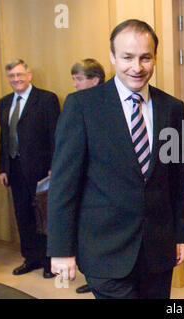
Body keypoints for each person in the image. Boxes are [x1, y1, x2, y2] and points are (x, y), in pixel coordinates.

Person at [47, 19, 184, 299]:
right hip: (105, 252)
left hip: (158, 251)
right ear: (112, 56)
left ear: (155, 58)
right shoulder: (82, 107)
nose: (136, 68)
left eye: (145, 58)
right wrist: (61, 249)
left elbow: (176, 179)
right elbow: (64, 184)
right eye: (127, 57)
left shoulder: (172, 108)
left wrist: (180, 234)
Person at [0, 59, 60, 278]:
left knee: (43, 217)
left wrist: (54, 166)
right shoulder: (4, 102)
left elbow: (56, 135)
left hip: (41, 170)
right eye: (12, 76)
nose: (16, 80)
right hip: (14, 170)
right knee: (22, 215)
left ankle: (49, 262)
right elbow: (4, 139)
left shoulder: (46, 99)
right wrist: (2, 168)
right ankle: (31, 258)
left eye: (19, 75)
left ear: (29, 75)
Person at [69, 58, 105, 294]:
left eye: (79, 79)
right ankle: (93, 276)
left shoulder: (107, 107)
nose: (75, 85)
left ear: (95, 79)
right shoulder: (76, 105)